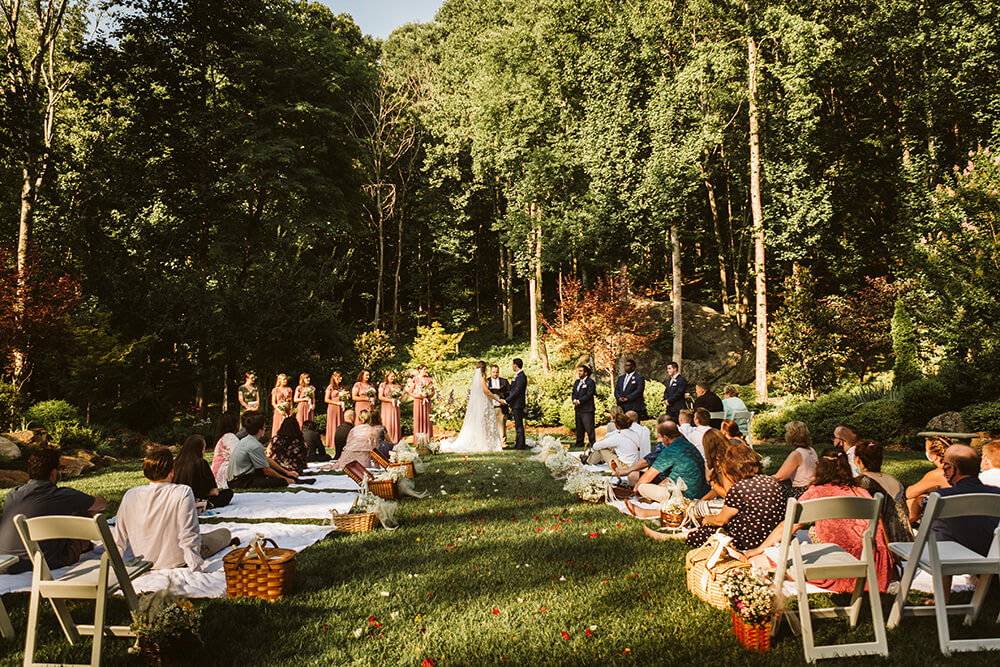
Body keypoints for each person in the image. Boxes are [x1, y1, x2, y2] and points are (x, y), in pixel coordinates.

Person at [746, 449, 894, 593]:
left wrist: (758, 549)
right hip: (874, 566)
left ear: (820, 469)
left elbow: (787, 528)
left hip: (838, 565)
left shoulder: (816, 492)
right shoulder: (862, 492)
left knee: (759, 562)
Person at [114, 447, 232, 571]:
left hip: (144, 559)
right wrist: (195, 566)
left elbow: (119, 536)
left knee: (202, 537)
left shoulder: (131, 494)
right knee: (224, 533)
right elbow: (188, 533)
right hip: (176, 559)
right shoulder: (182, 492)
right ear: (172, 471)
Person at [0, 449, 108, 574]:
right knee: (84, 514)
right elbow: (102, 504)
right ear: (53, 473)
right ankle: (86, 546)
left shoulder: (14, 494)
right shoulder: (63, 496)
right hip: (40, 563)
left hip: (8, 563)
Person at [686, 446, 788, 551]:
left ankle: (685, 534)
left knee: (702, 533)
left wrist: (707, 519)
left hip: (747, 541)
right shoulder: (772, 481)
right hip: (772, 536)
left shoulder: (739, 489)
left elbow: (721, 520)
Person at [854, 440, 913, 543]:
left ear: (858, 460)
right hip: (905, 537)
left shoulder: (863, 482)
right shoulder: (893, 480)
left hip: (882, 538)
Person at [440, 361, 505, 453]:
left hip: (485, 403)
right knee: (483, 423)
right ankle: (483, 443)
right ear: (484, 368)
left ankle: (487, 442)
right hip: (484, 403)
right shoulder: (482, 379)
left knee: (485, 423)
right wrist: (498, 400)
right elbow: (486, 392)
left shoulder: (479, 378)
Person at [635, 421, 709, 501]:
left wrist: (635, 490)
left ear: (666, 438)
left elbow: (647, 477)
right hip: (702, 491)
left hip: (685, 495)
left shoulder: (670, 451)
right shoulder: (689, 445)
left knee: (642, 487)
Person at [228, 412, 298, 488]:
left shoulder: (247, 440)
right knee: (279, 481)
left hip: (237, 478)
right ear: (260, 430)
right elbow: (267, 471)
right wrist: (286, 479)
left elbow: (266, 460)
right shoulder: (255, 445)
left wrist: (286, 472)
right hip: (241, 481)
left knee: (277, 474)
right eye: (264, 427)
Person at [172, 435, 234, 508]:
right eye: (204, 448)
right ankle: (206, 504)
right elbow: (214, 492)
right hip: (198, 498)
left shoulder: (175, 463)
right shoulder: (201, 463)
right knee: (227, 493)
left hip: (178, 498)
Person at [906, 436, 952, 523]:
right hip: (962, 509)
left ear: (934, 456)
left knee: (914, 500)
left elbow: (909, 493)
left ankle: (901, 528)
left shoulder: (938, 474)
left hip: (946, 514)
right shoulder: (959, 468)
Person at [771, 421, 817, 498]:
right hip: (812, 489)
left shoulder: (797, 454)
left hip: (800, 491)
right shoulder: (811, 450)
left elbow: (780, 476)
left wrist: (762, 480)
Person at [210, 411, 240, 489]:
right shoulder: (230, 437)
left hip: (218, 471)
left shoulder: (223, 437)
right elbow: (238, 455)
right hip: (224, 471)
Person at [408, 365, 435, 443]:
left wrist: (428, 395)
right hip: (418, 402)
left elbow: (433, 391)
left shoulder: (429, 379)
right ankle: (418, 439)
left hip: (427, 401)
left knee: (427, 418)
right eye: (424, 369)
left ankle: (428, 438)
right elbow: (410, 392)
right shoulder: (415, 380)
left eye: (426, 369)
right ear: (419, 370)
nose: (425, 371)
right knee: (418, 418)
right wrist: (417, 396)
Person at [572, 364, 597, 450]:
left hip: (587, 409)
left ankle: (592, 443)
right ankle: (579, 443)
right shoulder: (577, 382)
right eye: (578, 371)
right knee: (579, 427)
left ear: (586, 373)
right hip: (578, 409)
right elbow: (573, 393)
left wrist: (580, 401)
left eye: (580, 371)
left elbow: (589, 394)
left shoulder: (590, 382)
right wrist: (574, 400)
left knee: (589, 427)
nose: (578, 373)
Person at [506, 358, 528, 449]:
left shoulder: (521, 376)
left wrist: (507, 400)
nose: (512, 366)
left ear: (515, 365)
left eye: (513, 365)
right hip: (516, 404)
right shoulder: (518, 376)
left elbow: (516, 391)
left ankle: (520, 444)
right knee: (518, 424)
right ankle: (519, 442)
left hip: (518, 404)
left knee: (519, 424)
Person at [487, 364, 510, 445]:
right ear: (490, 372)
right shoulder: (487, 381)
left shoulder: (504, 381)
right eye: (493, 372)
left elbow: (510, 392)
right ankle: (491, 441)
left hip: (500, 406)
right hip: (490, 405)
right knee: (490, 425)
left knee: (501, 425)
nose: (495, 374)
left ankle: (502, 441)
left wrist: (502, 394)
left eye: (497, 372)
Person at [379, 370, 402, 445]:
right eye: (391, 376)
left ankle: (396, 439)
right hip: (386, 406)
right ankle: (388, 439)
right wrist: (390, 400)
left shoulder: (397, 385)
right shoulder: (383, 385)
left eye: (394, 376)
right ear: (387, 376)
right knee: (387, 421)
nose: (393, 378)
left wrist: (398, 399)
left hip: (395, 406)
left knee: (395, 420)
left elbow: (400, 396)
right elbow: (380, 397)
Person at [324, 371, 346, 448]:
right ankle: (331, 442)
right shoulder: (330, 387)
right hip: (333, 407)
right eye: (339, 377)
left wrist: (344, 399)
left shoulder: (342, 387)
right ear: (335, 377)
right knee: (333, 423)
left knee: (340, 422)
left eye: (341, 377)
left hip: (340, 408)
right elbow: (326, 399)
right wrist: (336, 403)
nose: (341, 378)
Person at [270, 374, 294, 439]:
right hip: (279, 411)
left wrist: (291, 410)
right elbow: (273, 402)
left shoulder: (289, 389)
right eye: (284, 379)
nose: (285, 381)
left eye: (286, 379)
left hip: (287, 411)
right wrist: (279, 410)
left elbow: (290, 401)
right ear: (279, 380)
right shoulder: (275, 390)